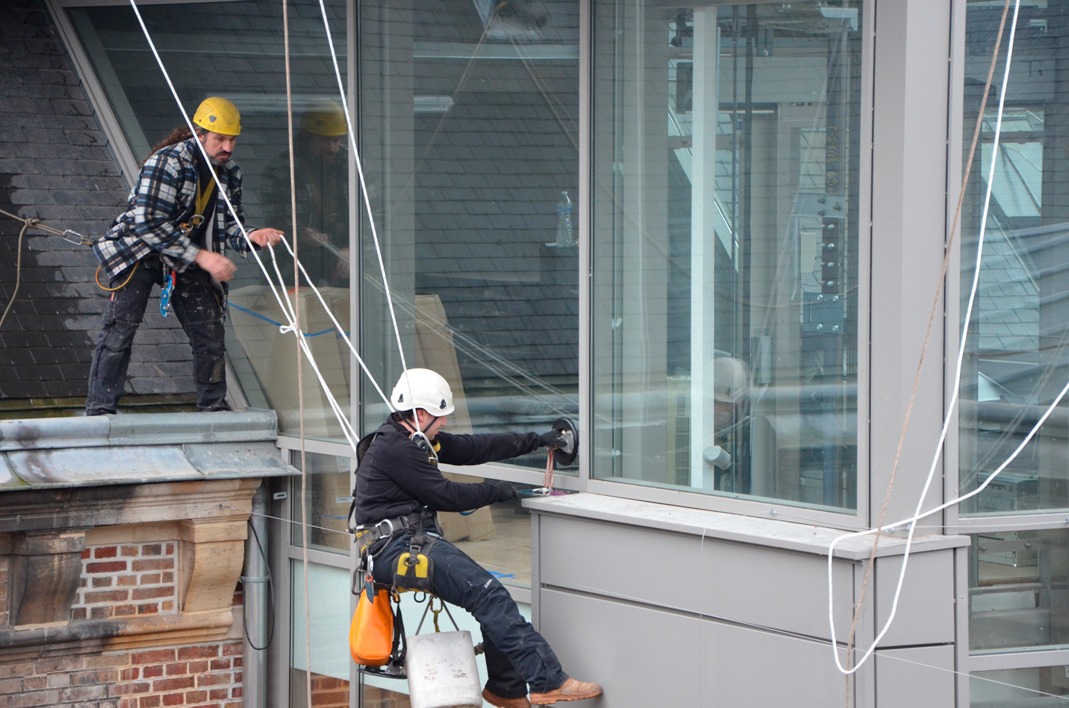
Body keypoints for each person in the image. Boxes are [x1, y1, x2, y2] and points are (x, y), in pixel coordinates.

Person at [351, 368, 603, 707]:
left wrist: (539, 440)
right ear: (420, 414)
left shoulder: (414, 438)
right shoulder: (398, 449)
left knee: (489, 596)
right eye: (440, 417)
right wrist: (502, 491)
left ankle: (505, 689)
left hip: (400, 544)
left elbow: (473, 448)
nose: (444, 424)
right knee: (488, 595)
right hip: (394, 550)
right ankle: (547, 682)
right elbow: (447, 496)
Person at [85, 96, 284, 416]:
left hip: (188, 255)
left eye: (232, 140)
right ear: (199, 133)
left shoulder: (230, 173)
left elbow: (229, 223)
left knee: (209, 331)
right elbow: (148, 223)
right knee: (121, 327)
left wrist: (250, 237)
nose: (228, 148)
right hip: (142, 251)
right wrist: (203, 257)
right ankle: (100, 408)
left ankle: (213, 406)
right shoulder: (168, 162)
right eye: (220, 139)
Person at [261, 100, 350, 285]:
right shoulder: (282, 172)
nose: (332, 148)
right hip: (293, 272)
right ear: (307, 138)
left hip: (346, 275)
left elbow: (375, 219)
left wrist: (353, 250)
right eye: (325, 140)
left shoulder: (353, 168)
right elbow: (276, 226)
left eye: (337, 140)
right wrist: (300, 236)